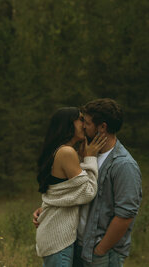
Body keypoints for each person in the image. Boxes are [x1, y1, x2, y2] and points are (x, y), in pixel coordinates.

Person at [34, 99, 142, 267]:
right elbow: (74, 192)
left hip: (101, 253)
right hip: (78, 245)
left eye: (87, 122)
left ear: (102, 127)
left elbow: (125, 215)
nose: (83, 125)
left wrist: (100, 250)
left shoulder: (123, 165)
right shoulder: (88, 154)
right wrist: (46, 209)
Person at [35, 107, 107, 267]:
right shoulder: (66, 152)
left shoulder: (61, 151)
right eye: (81, 119)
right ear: (68, 123)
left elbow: (61, 191)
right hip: (58, 238)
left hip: (54, 234)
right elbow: (87, 192)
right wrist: (90, 158)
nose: (84, 124)